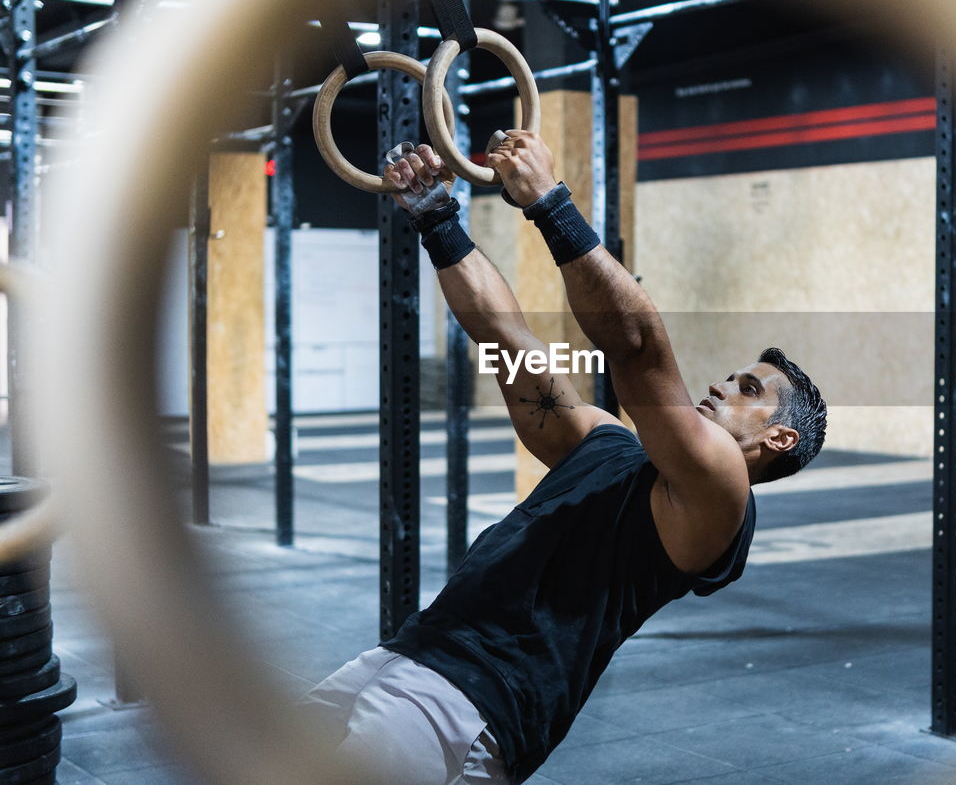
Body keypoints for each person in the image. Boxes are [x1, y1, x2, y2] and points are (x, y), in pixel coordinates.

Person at [299, 131, 827, 784]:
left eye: (749, 390)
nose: (723, 384)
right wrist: (435, 213)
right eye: (734, 375)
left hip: (469, 702)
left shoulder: (722, 496)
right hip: (405, 655)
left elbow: (635, 350)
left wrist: (550, 202)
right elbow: (503, 334)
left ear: (780, 439)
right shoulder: (604, 441)